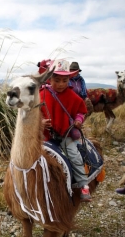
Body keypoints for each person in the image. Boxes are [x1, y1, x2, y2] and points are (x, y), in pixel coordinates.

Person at [40, 59, 91, 202]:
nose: (61, 84)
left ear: (69, 79)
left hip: (65, 135)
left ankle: (83, 185)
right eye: (57, 80)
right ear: (49, 78)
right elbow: (35, 113)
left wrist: (79, 120)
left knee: (74, 156)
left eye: (65, 80)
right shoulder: (42, 94)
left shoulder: (73, 97)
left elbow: (81, 111)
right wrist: (41, 122)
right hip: (44, 136)